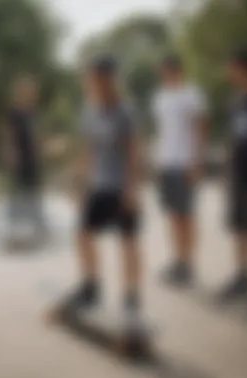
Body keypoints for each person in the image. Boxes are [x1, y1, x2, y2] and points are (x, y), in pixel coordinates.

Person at [69, 56, 144, 330]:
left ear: (108, 80)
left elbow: (134, 152)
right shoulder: (89, 110)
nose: (89, 84)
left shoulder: (125, 111)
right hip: (99, 185)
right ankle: (91, 286)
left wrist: (132, 189)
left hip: (122, 186)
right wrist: (79, 182)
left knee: (128, 241)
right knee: (82, 233)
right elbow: (88, 149)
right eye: (87, 79)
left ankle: (131, 296)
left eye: (94, 78)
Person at [151, 55, 208, 287]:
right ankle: (177, 260)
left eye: (168, 71)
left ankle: (188, 263)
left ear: (178, 71)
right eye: (162, 72)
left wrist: (197, 162)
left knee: (187, 215)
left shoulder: (191, 94)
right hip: (166, 162)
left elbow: (200, 128)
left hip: (185, 163)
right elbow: (162, 130)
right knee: (173, 215)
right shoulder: (160, 97)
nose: (165, 75)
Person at [219, 47, 247, 307]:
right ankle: (244, 276)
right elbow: (233, 138)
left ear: (246, 68)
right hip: (238, 173)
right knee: (239, 227)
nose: (229, 73)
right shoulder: (236, 101)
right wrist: (227, 168)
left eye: (232, 67)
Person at [2, 75, 46, 242]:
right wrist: (10, 154)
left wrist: (40, 150)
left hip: (32, 158)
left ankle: (37, 224)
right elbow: (8, 136)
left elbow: (37, 134)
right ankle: (14, 227)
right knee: (18, 191)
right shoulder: (13, 113)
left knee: (34, 190)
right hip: (19, 158)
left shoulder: (34, 113)